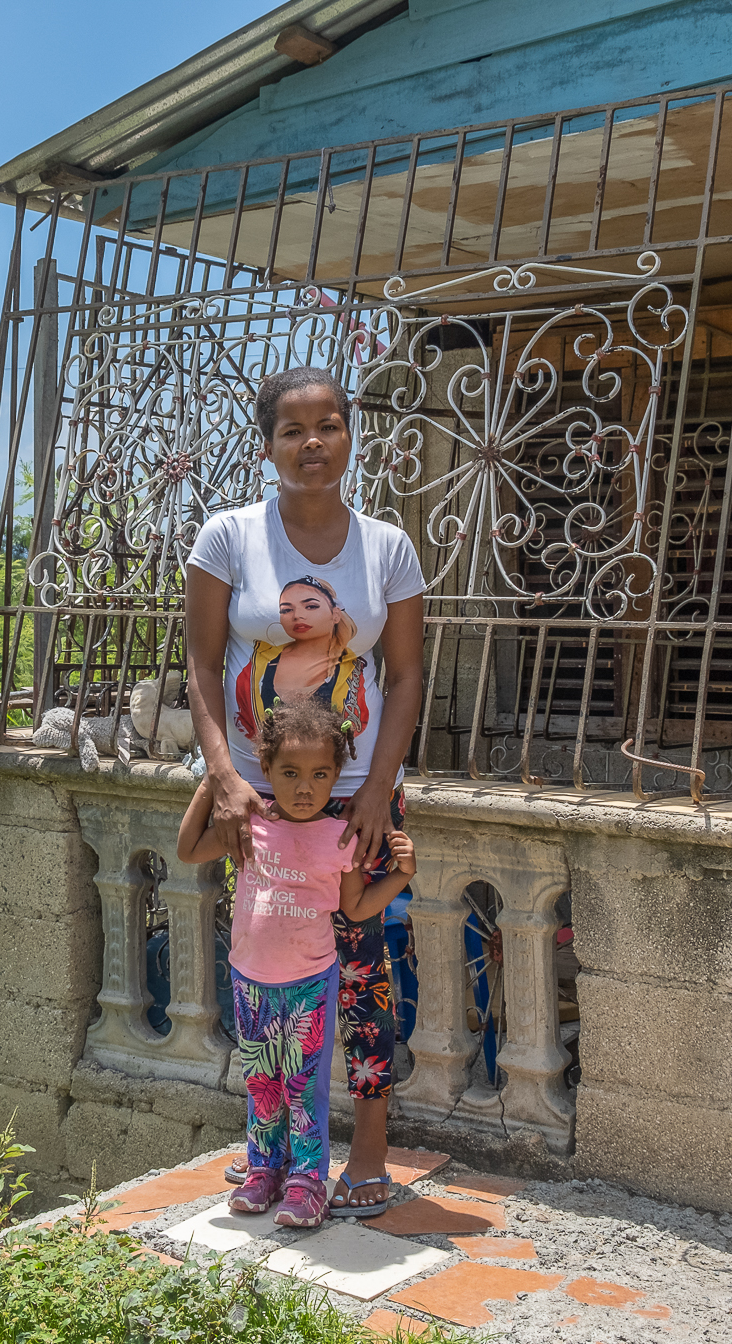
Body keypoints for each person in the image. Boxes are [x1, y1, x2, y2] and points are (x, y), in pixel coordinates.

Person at [185, 364, 427, 1216]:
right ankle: (276, 1146)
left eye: (328, 425)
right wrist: (225, 777)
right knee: (268, 970)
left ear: (350, 437)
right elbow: (201, 664)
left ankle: (368, 1149)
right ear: (268, 446)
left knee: (361, 972)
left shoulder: (388, 548)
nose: (312, 442)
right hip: (256, 799)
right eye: (293, 430)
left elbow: (405, 676)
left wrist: (378, 789)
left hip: (356, 798)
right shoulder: (228, 538)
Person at [177, 694, 417, 1228]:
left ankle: (308, 1182)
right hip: (250, 980)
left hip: (310, 982)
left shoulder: (341, 838)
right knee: (261, 1080)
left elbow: (357, 907)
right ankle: (264, 1170)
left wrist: (401, 875)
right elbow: (189, 849)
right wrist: (216, 780)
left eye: (319, 775)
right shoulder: (251, 823)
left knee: (304, 1085)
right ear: (264, 770)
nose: (305, 788)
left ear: (337, 777)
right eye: (290, 773)